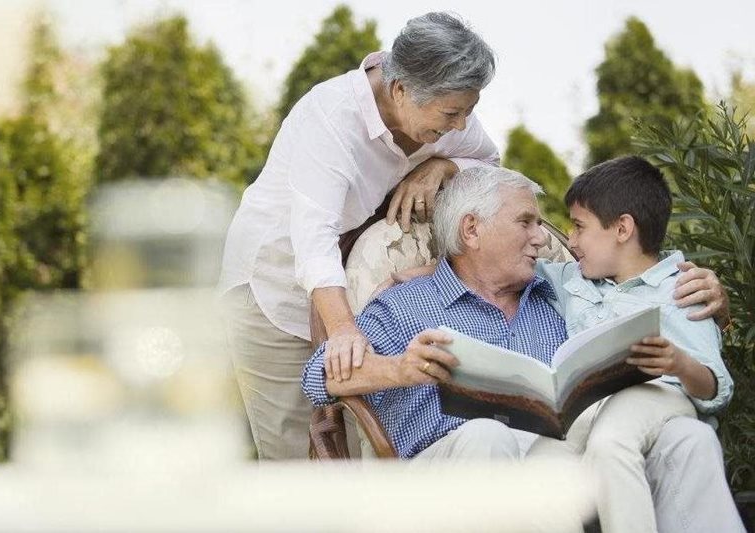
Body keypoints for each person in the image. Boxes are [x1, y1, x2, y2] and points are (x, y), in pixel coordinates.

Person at [220, 12, 501, 459]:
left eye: (469, 111)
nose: (462, 125)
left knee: (356, 452)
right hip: (274, 292)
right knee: (298, 457)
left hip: (349, 286)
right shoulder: (331, 117)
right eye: (453, 113)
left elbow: (490, 164)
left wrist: (441, 166)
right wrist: (344, 332)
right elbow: (314, 238)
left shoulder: (444, 113)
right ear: (400, 89)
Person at [530, 155, 743, 533]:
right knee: (540, 462)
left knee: (611, 445)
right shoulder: (573, 281)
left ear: (623, 228)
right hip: (589, 400)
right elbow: (504, 264)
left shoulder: (680, 289)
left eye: (579, 227)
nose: (569, 241)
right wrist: (434, 271)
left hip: (656, 393)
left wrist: (677, 362)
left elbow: (715, 389)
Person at [303, 167, 572, 460]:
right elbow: (317, 377)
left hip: (552, 460)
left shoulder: (555, 299)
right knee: (488, 434)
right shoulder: (405, 305)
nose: (542, 238)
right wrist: (399, 369)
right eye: (526, 222)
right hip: (451, 466)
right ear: (471, 229)